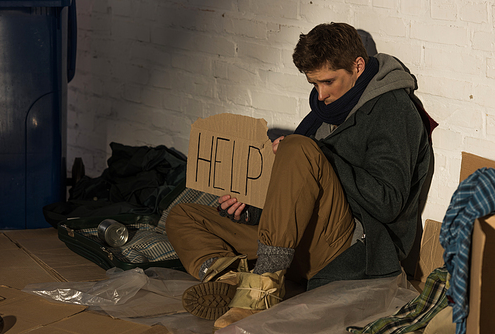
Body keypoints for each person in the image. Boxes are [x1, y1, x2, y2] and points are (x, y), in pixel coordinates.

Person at [166, 22, 431, 331]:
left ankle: (259, 293)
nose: (321, 94)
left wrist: (321, 155)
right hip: (297, 241)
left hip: (352, 243)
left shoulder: (392, 110)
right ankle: (232, 281)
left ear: (358, 66)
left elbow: (388, 202)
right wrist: (253, 206)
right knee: (183, 216)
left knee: (299, 147)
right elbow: (298, 192)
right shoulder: (324, 111)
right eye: (314, 84)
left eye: (329, 81)